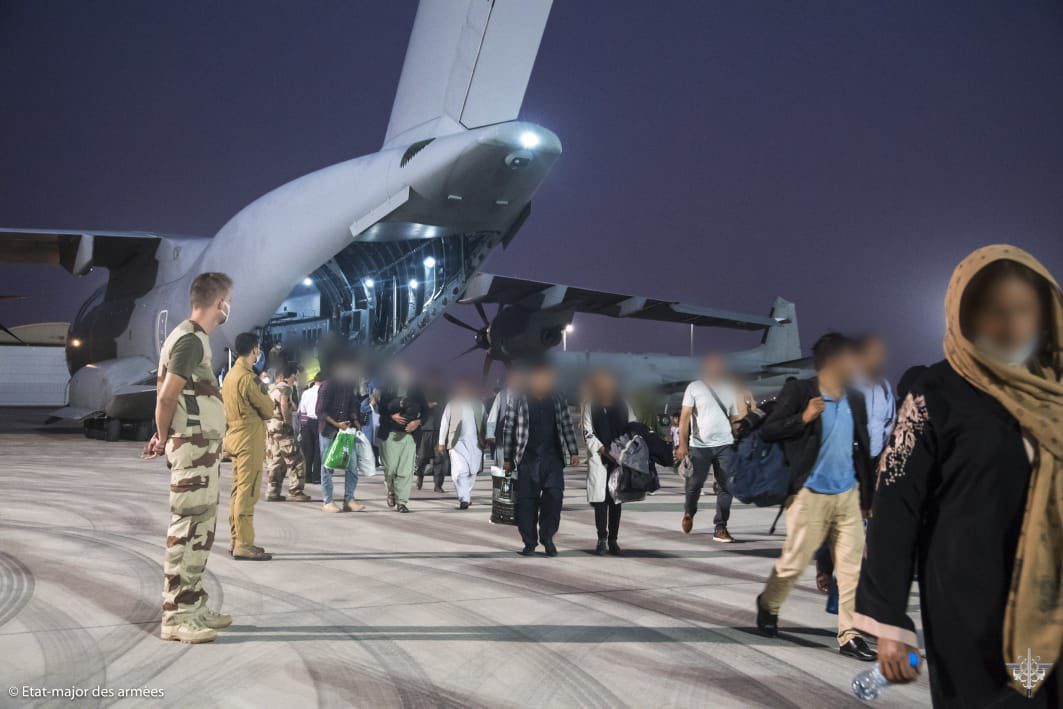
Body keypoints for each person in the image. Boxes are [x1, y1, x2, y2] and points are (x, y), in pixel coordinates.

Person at [855, 246, 1062, 707]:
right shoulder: (937, 393)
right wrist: (890, 622)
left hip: (1052, 605)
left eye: (1023, 309)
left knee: (1042, 694)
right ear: (964, 316)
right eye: (993, 311)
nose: (1010, 324)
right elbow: (895, 506)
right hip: (971, 604)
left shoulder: (1056, 389)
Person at [755, 332, 876, 662]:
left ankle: (849, 635)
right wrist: (803, 418)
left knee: (851, 569)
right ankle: (768, 604)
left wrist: (868, 497)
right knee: (793, 563)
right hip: (809, 494)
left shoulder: (855, 398)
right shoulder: (800, 391)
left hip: (848, 495)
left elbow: (863, 448)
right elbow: (769, 430)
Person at [147, 272, 233, 643]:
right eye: (228, 301)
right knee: (188, 530)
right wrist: (164, 435)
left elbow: (176, 399)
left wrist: (162, 434)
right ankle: (177, 616)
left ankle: (193, 603)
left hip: (201, 448)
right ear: (220, 303)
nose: (229, 308)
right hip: (193, 449)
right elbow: (167, 396)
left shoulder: (194, 339)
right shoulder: (190, 341)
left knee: (201, 530)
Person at [502, 361, 580, 557]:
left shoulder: (557, 397)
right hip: (527, 458)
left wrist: (573, 451)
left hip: (552, 458)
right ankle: (529, 542)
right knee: (526, 503)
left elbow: (566, 425)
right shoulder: (518, 397)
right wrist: (507, 457)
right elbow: (509, 428)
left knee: (554, 497)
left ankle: (548, 537)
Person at [221, 332, 275, 561]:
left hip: (234, 436)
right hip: (248, 439)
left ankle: (236, 539)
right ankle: (244, 544)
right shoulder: (248, 378)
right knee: (248, 491)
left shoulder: (230, 376)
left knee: (237, 490)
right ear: (254, 349)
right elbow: (268, 409)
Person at [675, 353, 740, 543]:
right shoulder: (694, 387)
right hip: (699, 446)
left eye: (719, 365)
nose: (716, 368)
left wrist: (740, 440)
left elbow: (734, 419)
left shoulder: (729, 388)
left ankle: (720, 527)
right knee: (694, 484)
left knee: (727, 486)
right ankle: (689, 512)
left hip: (725, 445)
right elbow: (685, 417)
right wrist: (683, 444)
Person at [581, 370, 636, 555]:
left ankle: (613, 540)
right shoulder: (591, 405)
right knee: (600, 502)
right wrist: (604, 450)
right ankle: (602, 538)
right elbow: (588, 433)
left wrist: (621, 451)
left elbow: (633, 426)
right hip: (600, 459)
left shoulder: (623, 404)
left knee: (615, 502)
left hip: (619, 460)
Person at [316, 358, 365, 513]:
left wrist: (355, 420)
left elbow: (352, 406)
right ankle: (327, 501)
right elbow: (320, 412)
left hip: (346, 431)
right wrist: (337, 425)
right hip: (328, 431)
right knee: (327, 466)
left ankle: (349, 500)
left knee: (352, 465)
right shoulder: (327, 386)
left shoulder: (349, 386)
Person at [378, 363, 427, 513]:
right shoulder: (388, 388)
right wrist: (391, 416)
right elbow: (381, 411)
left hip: (409, 436)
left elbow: (426, 412)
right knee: (390, 469)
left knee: (405, 471)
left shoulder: (416, 389)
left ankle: (402, 502)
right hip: (390, 435)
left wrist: (417, 422)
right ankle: (391, 491)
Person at [265, 362, 312, 502]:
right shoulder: (286, 388)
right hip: (282, 428)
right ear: (292, 375)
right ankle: (296, 490)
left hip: (271, 427)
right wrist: (287, 422)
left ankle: (273, 491)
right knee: (296, 459)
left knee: (277, 460)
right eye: (296, 375)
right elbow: (283, 404)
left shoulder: (272, 388)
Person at [437, 378, 485, 509]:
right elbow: (444, 423)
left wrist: (489, 437)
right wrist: (441, 442)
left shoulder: (479, 405)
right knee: (459, 471)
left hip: (475, 443)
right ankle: (464, 499)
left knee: (472, 472)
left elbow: (486, 422)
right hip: (456, 443)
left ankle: (465, 495)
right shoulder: (452, 404)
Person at [416, 370, 449, 493]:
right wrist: (427, 405)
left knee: (439, 459)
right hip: (425, 429)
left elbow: (448, 410)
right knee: (422, 457)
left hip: (440, 430)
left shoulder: (444, 392)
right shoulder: (422, 392)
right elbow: (416, 407)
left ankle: (438, 484)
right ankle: (420, 476)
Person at [486, 369, 520, 468]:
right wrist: (490, 434)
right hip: (503, 437)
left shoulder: (525, 395)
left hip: (519, 437)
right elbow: (493, 414)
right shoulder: (501, 395)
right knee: (502, 467)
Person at [297, 373, 322, 484]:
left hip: (307, 422)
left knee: (308, 450)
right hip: (320, 422)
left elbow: (302, 409)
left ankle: (307, 476)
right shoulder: (324, 392)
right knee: (318, 450)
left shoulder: (306, 393)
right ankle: (316, 477)